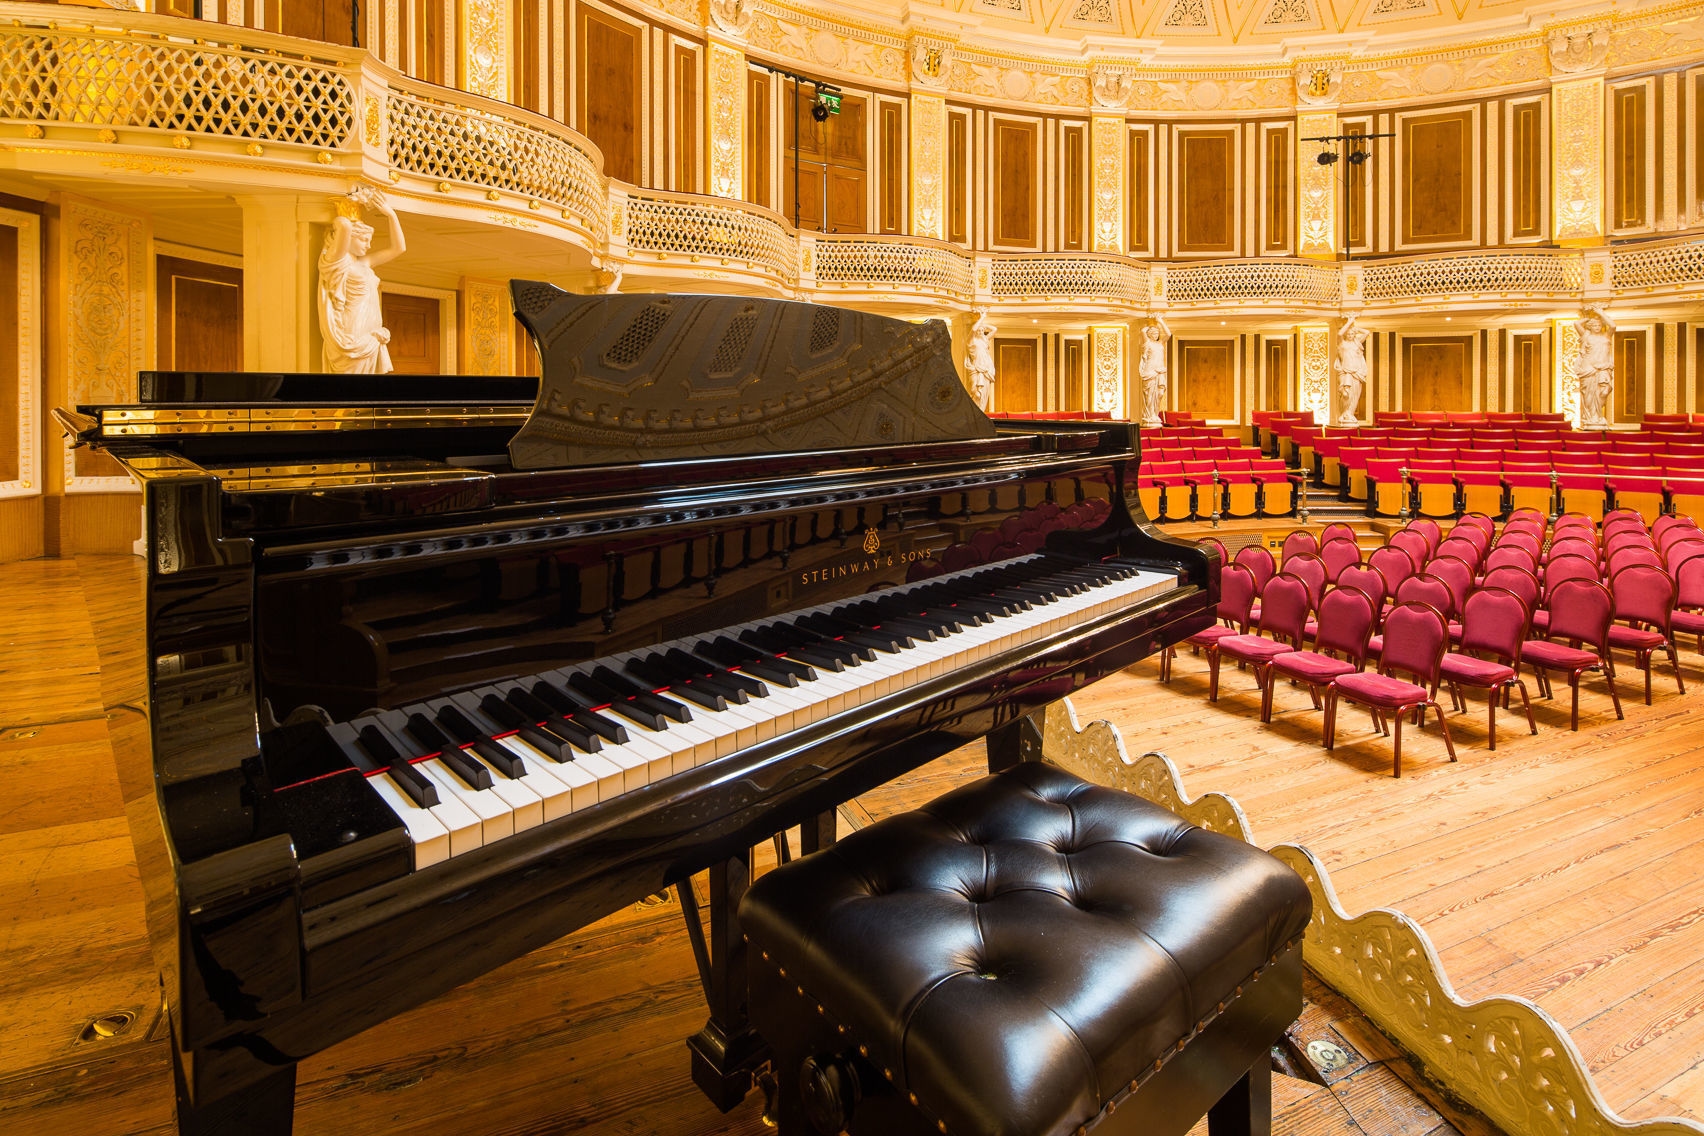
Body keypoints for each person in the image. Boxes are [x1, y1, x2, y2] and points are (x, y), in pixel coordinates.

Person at [318, 186, 406, 374]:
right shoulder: (338, 261)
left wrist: (391, 215)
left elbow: (399, 248)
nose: (369, 245)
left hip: (370, 331)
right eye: (364, 240)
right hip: (354, 330)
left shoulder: (364, 263)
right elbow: (344, 225)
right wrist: (352, 200)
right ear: (349, 239)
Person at [1574, 307, 1615, 428]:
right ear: (1590, 326)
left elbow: (1612, 326)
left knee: (1605, 390)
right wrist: (1588, 317)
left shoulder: (1606, 336)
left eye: (1599, 325)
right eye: (1594, 325)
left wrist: (1601, 314)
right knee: (1588, 395)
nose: (1597, 327)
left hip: (1603, 368)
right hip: (1588, 367)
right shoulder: (1586, 336)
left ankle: (1598, 415)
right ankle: (1592, 418)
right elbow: (1576, 323)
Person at [1335, 314, 1370, 427]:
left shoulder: (1357, 344)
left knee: (1355, 395)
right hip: (1345, 373)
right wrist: (1349, 323)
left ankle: (1349, 414)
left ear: (1354, 335)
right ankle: (1344, 413)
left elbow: (1367, 332)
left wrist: (1356, 328)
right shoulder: (1342, 344)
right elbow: (1339, 333)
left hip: (1356, 373)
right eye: (1348, 333)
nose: (1350, 335)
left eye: (1352, 334)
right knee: (1346, 394)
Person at [1138, 315, 1169, 428]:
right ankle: (1149, 416)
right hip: (1150, 371)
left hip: (1159, 371)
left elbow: (1169, 334)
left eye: (1157, 333)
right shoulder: (1148, 343)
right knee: (1149, 396)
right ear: (1150, 335)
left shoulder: (1160, 343)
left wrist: (1160, 321)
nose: (1156, 335)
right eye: (1154, 333)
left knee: (1160, 394)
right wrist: (1151, 322)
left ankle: (1154, 414)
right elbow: (1142, 330)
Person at [965, 310, 996, 413]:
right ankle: (974, 413)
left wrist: (983, 324)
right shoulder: (971, 341)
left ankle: (980, 413)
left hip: (986, 370)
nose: (980, 332)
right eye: (979, 330)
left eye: (982, 330)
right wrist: (981, 318)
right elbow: (973, 329)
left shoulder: (985, 340)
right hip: (976, 370)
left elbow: (994, 329)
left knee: (983, 394)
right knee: (976, 393)